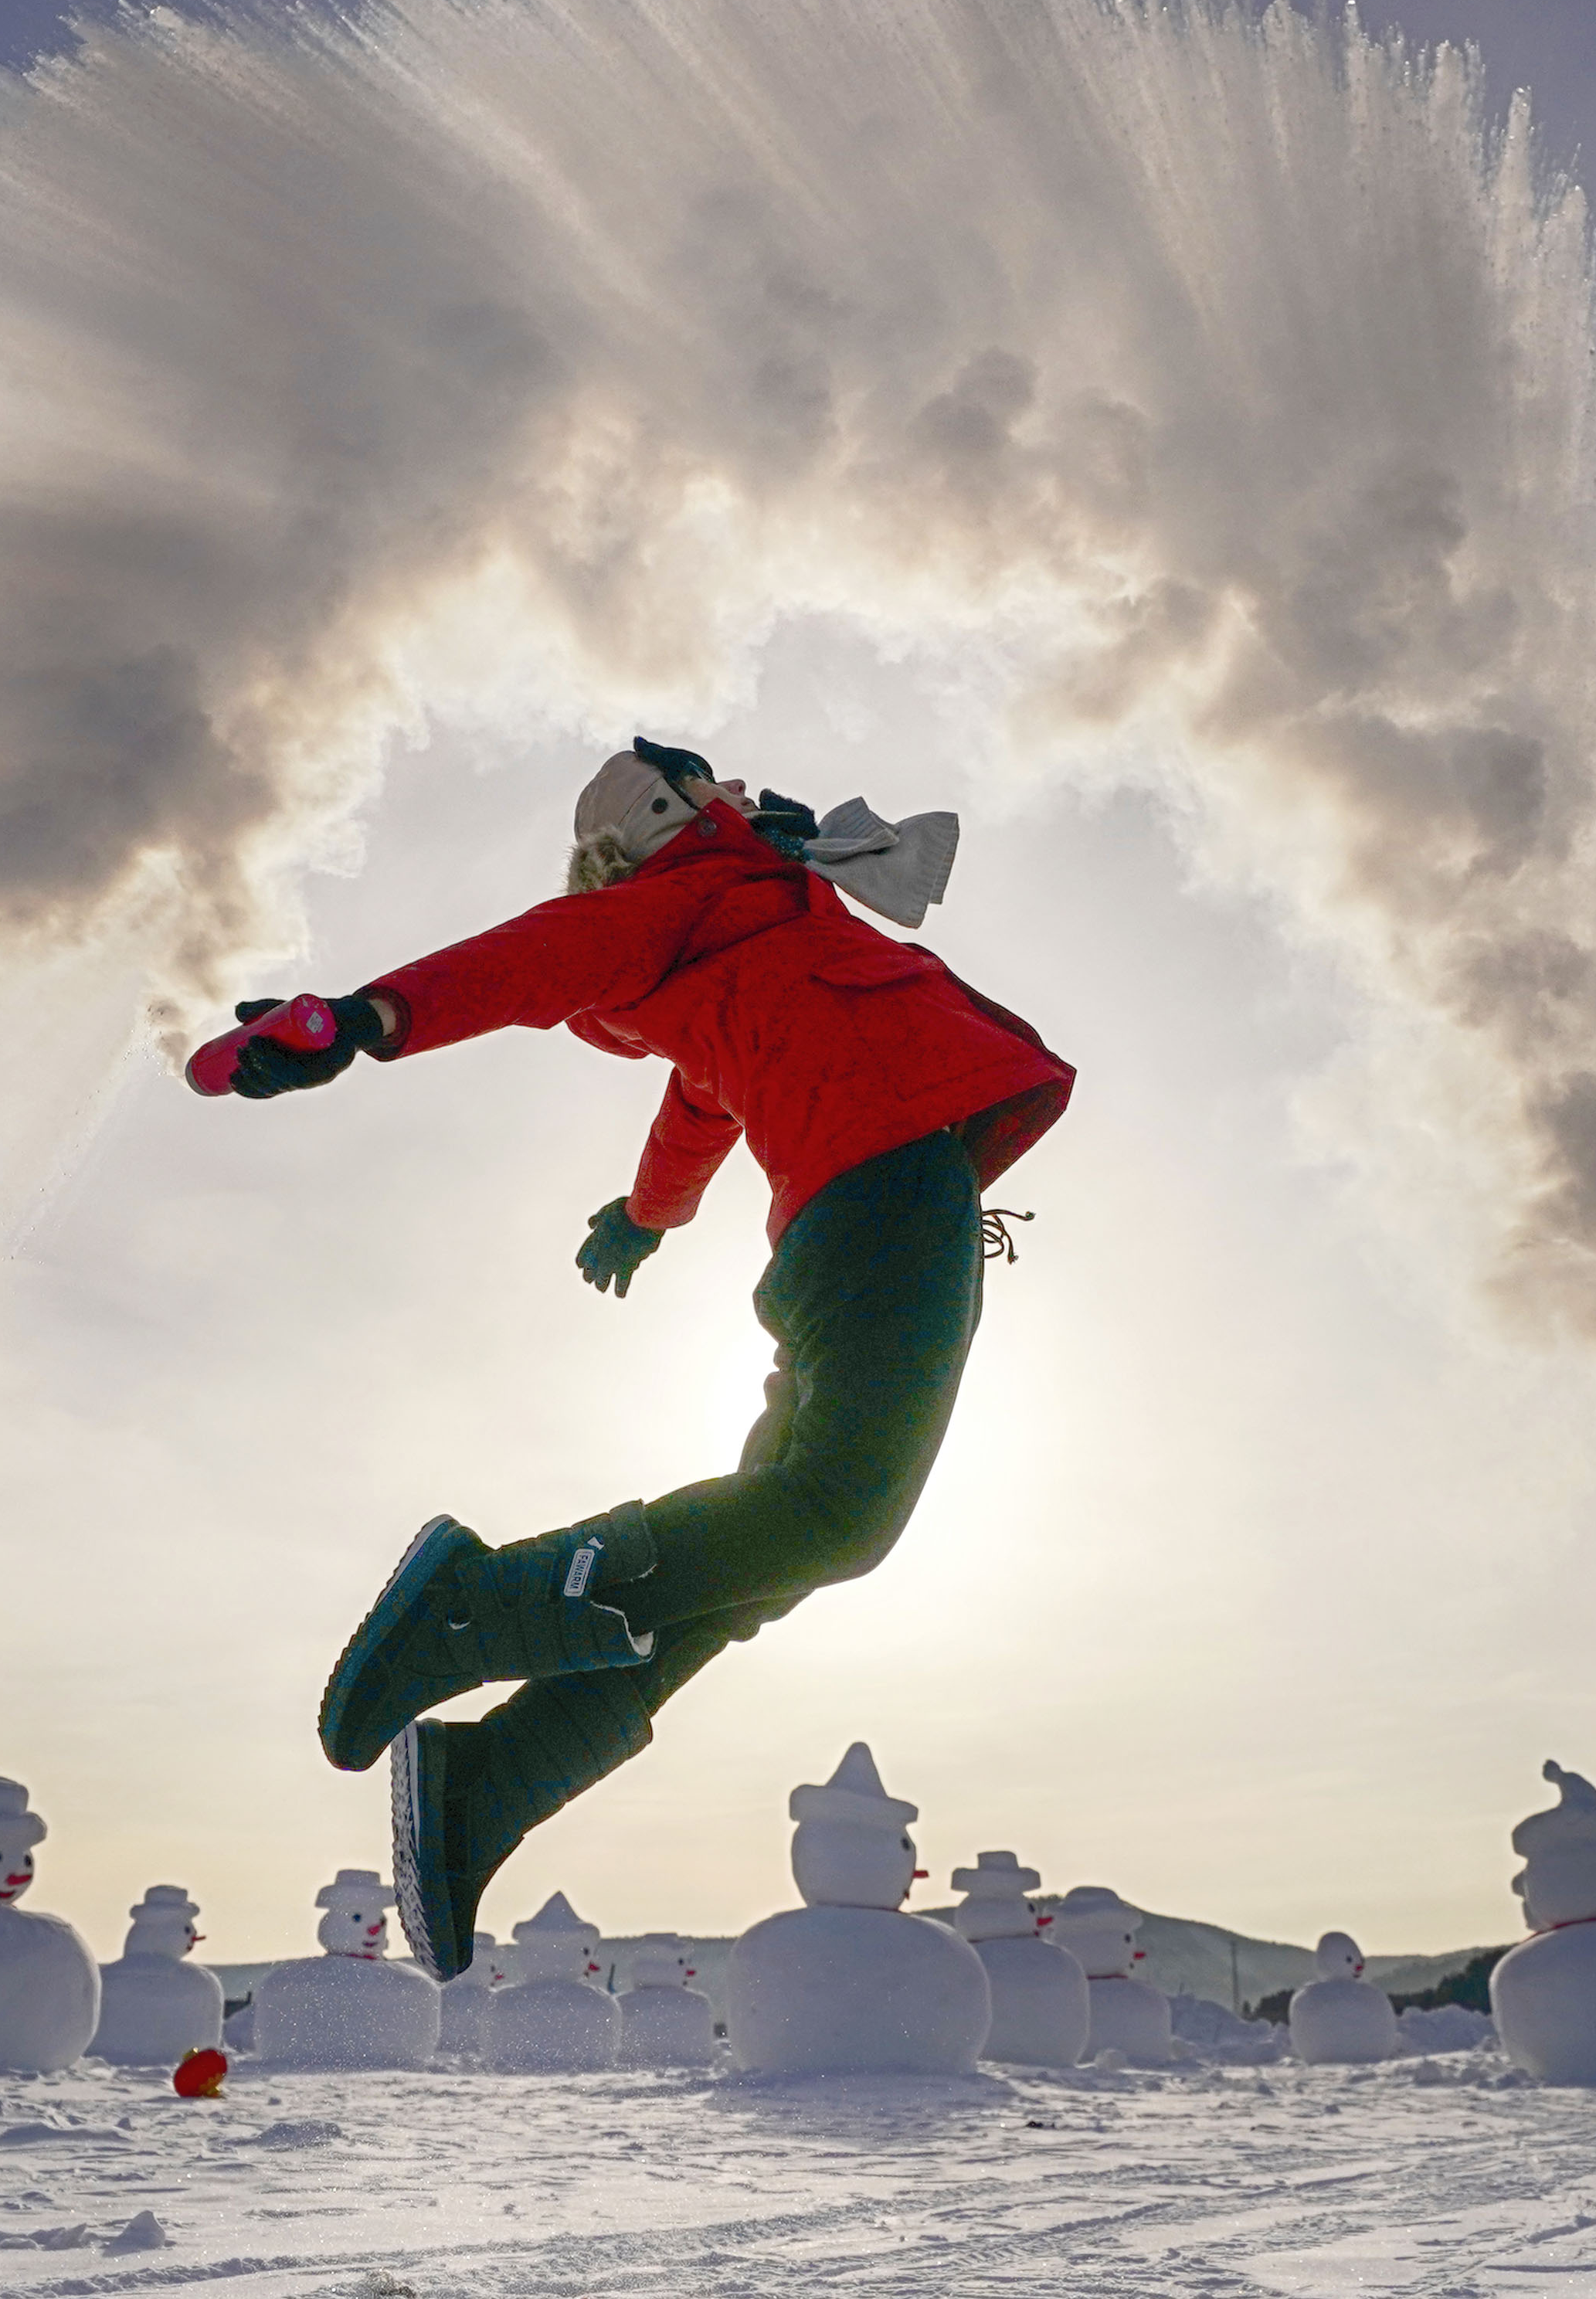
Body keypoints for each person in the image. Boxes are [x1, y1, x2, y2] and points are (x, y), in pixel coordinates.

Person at [216, 739, 1072, 1974]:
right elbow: (532, 961)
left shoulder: (748, 926)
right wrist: (370, 1018)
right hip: (884, 1202)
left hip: (868, 1209)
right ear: (670, 816)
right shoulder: (683, 900)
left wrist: (646, 1215)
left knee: (755, 1561)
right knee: (839, 1515)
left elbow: (701, 1103)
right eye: (710, 781)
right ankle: (472, 1606)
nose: (740, 785)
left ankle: (489, 1784)